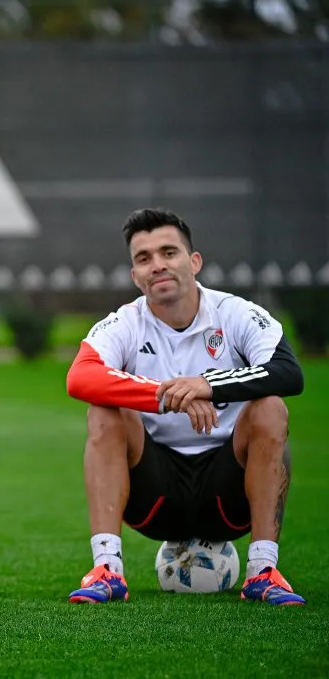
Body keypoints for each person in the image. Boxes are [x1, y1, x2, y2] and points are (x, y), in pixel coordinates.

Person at [65, 208, 305, 605]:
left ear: (194, 262)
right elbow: (80, 377)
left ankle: (263, 572)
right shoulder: (125, 322)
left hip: (230, 498)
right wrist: (168, 396)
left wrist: (208, 386)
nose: (157, 265)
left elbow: (288, 372)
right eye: (144, 258)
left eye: (168, 252)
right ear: (135, 276)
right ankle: (107, 570)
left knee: (270, 408)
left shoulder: (235, 313)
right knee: (103, 409)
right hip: (153, 500)